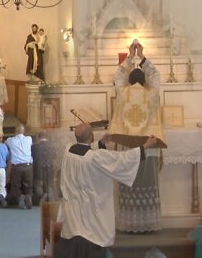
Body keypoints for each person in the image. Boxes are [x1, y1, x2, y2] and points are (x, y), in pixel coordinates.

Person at [54, 123, 158, 258]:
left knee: (76, 232)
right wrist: (145, 146)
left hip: (73, 209)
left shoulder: (68, 151)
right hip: (90, 211)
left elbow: (84, 150)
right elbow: (121, 160)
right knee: (90, 236)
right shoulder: (96, 158)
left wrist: (101, 142)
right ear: (91, 136)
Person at [110, 42, 164, 233]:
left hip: (129, 149)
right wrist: (142, 56)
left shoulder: (123, 93)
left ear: (129, 80)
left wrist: (128, 57)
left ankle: (130, 224)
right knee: (148, 183)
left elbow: (118, 77)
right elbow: (156, 76)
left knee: (130, 184)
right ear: (144, 80)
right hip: (149, 149)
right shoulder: (152, 94)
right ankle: (148, 224)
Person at [5, 124, 34, 209]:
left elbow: (5, 143)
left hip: (17, 167)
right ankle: (28, 196)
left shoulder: (11, 140)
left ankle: (20, 197)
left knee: (15, 186)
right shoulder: (29, 139)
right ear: (24, 131)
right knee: (28, 185)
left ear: (15, 132)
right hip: (28, 166)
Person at [31, 131, 54, 201]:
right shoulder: (52, 146)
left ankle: (42, 196)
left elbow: (31, 157)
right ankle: (48, 196)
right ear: (47, 137)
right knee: (49, 187)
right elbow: (54, 157)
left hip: (38, 169)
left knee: (38, 186)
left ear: (38, 137)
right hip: (49, 169)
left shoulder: (34, 147)